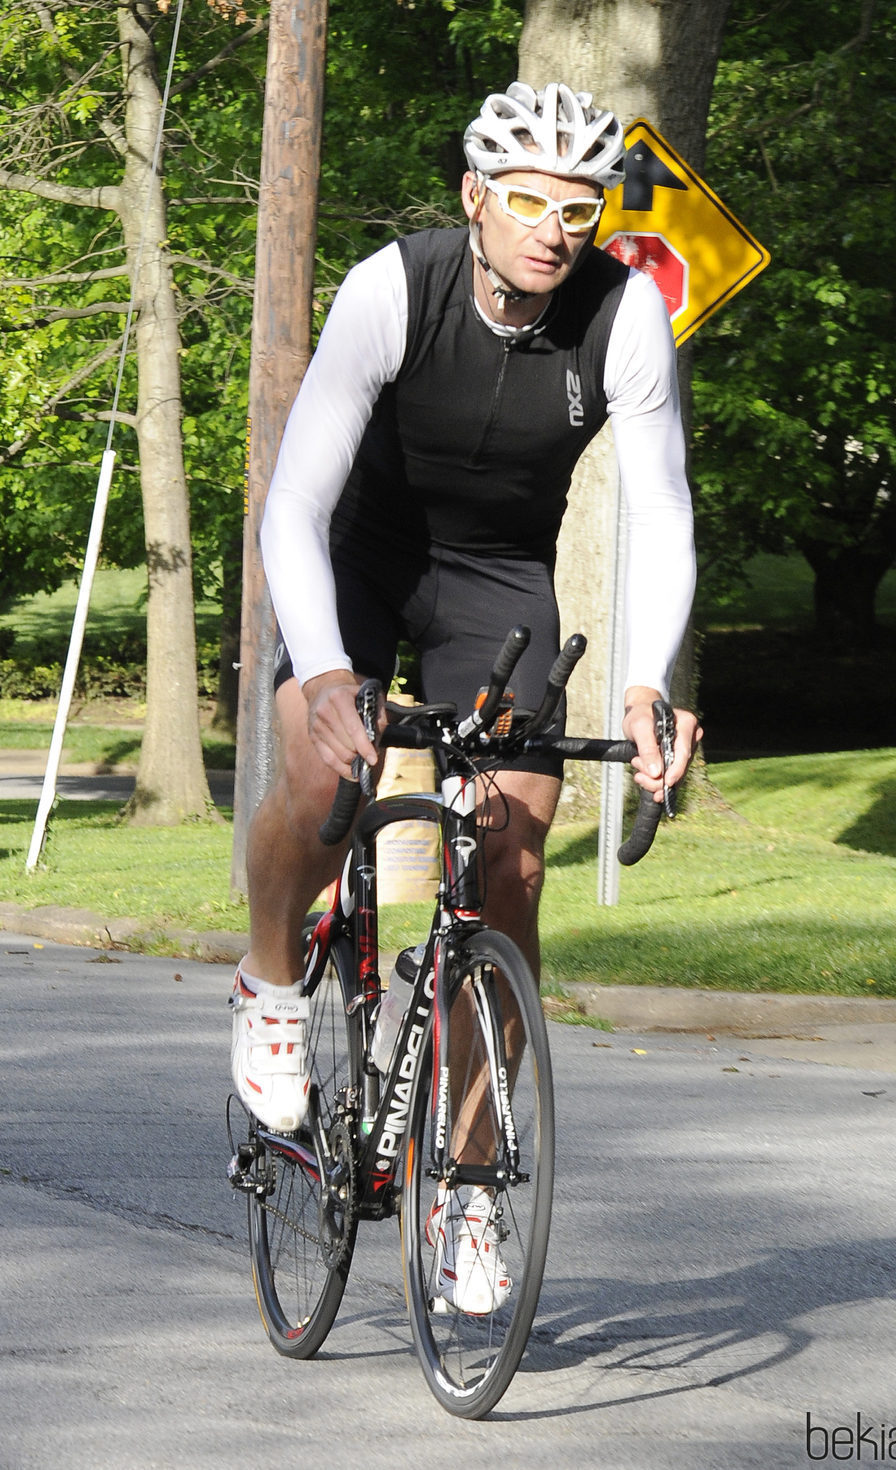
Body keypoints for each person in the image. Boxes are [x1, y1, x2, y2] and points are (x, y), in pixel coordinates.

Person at [231, 81, 701, 1308]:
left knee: (513, 864)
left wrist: (649, 681)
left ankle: (473, 1191)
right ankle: (274, 978)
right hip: (364, 557)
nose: (556, 227)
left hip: (498, 583)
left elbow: (658, 507)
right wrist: (330, 673)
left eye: (581, 205)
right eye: (531, 200)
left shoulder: (623, 313)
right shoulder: (395, 286)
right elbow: (293, 500)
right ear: (475, 197)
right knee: (326, 769)